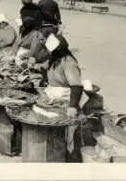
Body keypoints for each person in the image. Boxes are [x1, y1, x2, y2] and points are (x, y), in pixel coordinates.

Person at [43, 33, 88, 162]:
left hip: (65, 98)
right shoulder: (55, 59)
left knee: (67, 131)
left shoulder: (68, 62)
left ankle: (69, 156)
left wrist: (73, 106)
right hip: (53, 95)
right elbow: (49, 71)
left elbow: (76, 86)